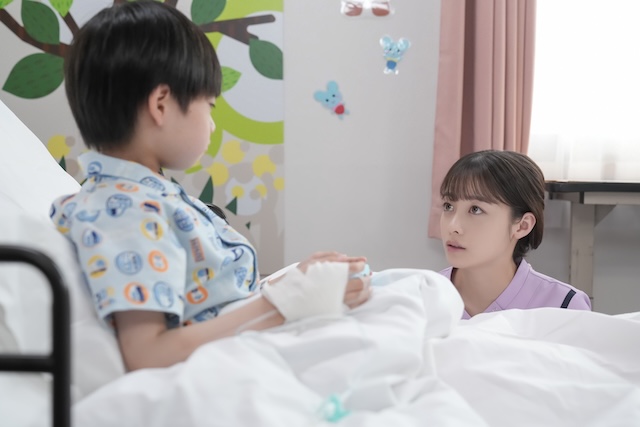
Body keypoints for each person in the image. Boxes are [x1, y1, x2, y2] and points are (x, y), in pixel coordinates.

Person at [50, 1, 371, 372]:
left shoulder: (149, 198)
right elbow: (147, 353)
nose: (213, 124)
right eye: (210, 105)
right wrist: (288, 301)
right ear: (161, 105)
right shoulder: (123, 212)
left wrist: (299, 282)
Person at [438, 150, 591, 319]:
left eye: (476, 209)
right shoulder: (421, 298)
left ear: (522, 226)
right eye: (448, 206)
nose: (453, 227)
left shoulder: (565, 307)